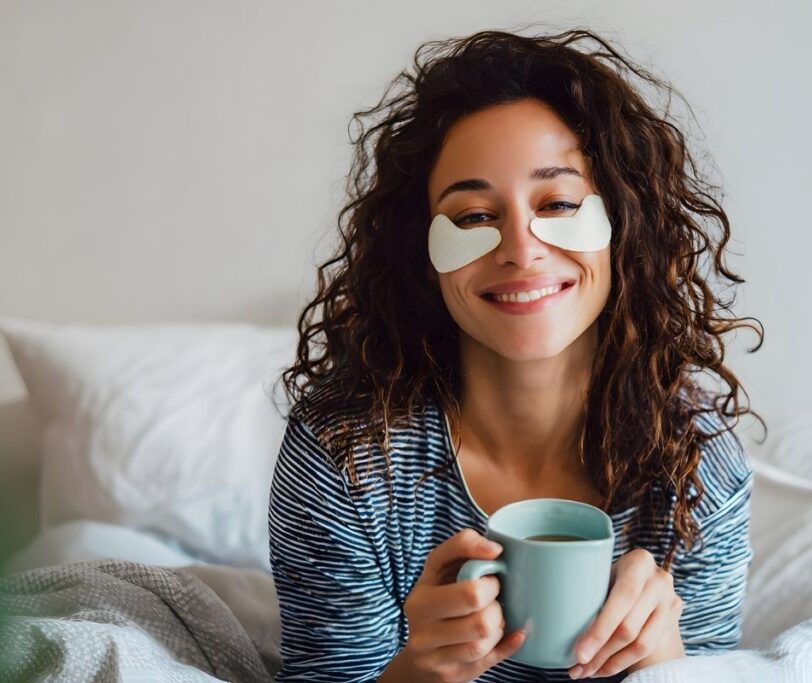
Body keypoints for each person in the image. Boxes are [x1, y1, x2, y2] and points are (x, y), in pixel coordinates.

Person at [269, 27, 765, 683]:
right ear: (421, 249)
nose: (521, 249)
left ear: (623, 226)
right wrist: (419, 668)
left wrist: (668, 661)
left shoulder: (698, 460)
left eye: (558, 203)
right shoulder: (345, 458)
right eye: (473, 215)